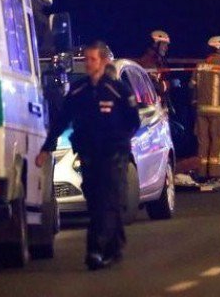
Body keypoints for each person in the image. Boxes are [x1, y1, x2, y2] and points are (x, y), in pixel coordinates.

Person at [35, 41, 140, 271]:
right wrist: (46, 147)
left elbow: (133, 121)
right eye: (86, 59)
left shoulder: (118, 90)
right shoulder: (79, 91)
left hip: (113, 155)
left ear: (103, 62)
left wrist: (121, 142)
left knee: (108, 201)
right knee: (96, 203)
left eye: (92, 59)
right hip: (89, 154)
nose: (87, 63)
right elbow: (62, 120)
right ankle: (115, 247)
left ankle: (95, 250)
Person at [190, 36, 220, 181]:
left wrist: (194, 103)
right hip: (218, 111)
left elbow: (192, 86)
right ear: (219, 48)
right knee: (217, 143)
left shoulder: (200, 65)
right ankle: (215, 174)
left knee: (203, 142)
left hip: (201, 110)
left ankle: (201, 174)